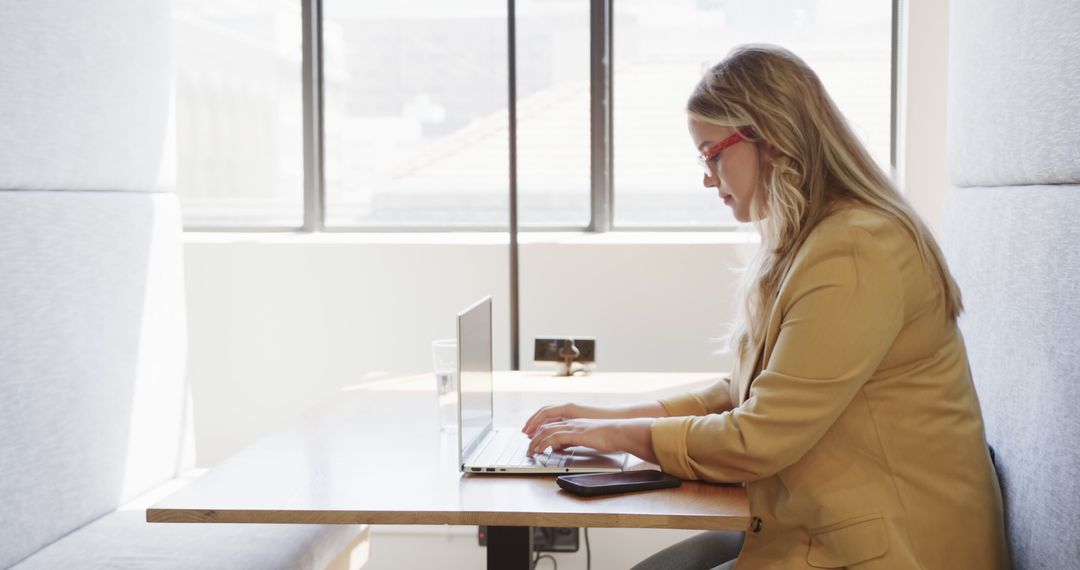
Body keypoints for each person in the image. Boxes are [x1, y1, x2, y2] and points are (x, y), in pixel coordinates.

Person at [522, 44, 1010, 569]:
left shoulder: (855, 252)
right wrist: (608, 418)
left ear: (770, 139)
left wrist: (619, 435)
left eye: (712, 154)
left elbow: (758, 436)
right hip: (826, 526)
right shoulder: (816, 238)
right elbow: (745, 391)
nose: (708, 177)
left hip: (893, 549)